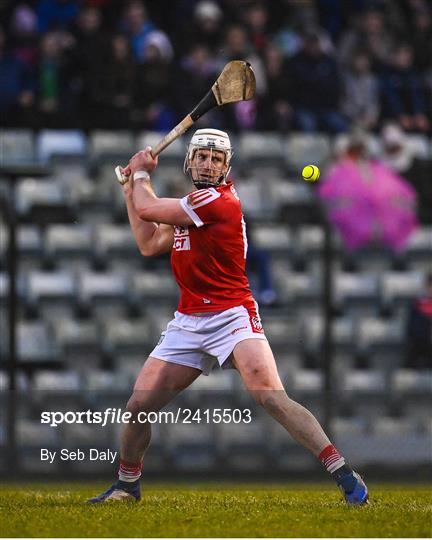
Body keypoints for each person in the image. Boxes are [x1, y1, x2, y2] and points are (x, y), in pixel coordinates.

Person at [88, 128, 368, 506]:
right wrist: (129, 189)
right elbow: (148, 241)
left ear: (226, 166)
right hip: (188, 319)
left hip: (232, 315)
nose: (208, 164)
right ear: (189, 161)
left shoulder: (218, 202)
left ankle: (344, 473)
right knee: (138, 406)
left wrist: (139, 174)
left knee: (270, 397)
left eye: (216, 158)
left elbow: (148, 208)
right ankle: (126, 485)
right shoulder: (191, 204)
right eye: (202, 156)